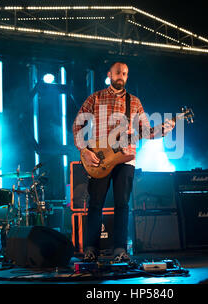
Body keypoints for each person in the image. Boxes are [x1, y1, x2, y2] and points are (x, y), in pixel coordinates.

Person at [72, 61, 176, 263]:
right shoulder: (96, 97)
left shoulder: (134, 101)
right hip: (99, 158)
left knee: (122, 205)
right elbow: (78, 125)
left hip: (126, 158)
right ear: (110, 74)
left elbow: (147, 131)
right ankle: (91, 248)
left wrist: (163, 130)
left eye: (125, 73)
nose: (122, 76)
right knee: (95, 204)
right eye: (118, 72)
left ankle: (119, 249)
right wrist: (84, 150)